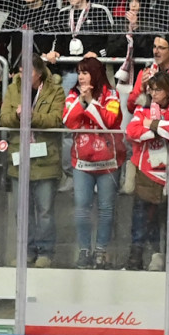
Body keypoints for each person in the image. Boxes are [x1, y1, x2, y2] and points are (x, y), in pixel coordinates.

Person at [0, 57, 63, 268]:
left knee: (44, 210)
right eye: (20, 70)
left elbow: (56, 119)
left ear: (39, 73)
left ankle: (45, 251)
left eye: (27, 71)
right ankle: (25, 250)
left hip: (46, 158)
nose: (22, 75)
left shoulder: (56, 91)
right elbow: (4, 118)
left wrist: (31, 116)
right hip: (19, 157)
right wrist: (19, 118)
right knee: (22, 210)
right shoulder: (13, 88)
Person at [125, 75, 169, 272]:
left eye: (157, 89)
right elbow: (132, 131)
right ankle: (147, 255)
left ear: (168, 90)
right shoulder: (142, 108)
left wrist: (151, 125)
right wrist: (160, 129)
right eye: (150, 89)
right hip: (146, 171)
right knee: (143, 218)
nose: (153, 93)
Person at [65, 57, 120, 269]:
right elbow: (69, 121)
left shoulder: (111, 94)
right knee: (81, 208)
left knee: (106, 209)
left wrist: (91, 103)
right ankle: (84, 250)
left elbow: (110, 121)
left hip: (107, 162)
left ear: (95, 74)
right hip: (82, 162)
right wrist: (81, 101)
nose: (80, 76)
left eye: (85, 72)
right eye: (79, 72)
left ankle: (101, 251)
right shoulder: (72, 94)